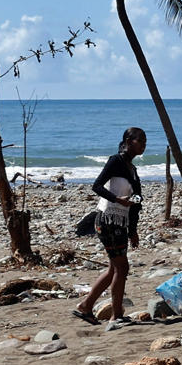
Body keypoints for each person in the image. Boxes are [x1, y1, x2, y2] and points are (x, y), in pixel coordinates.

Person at [74, 127, 148, 323]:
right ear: (128, 141)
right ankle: (117, 315)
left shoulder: (133, 170)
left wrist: (133, 230)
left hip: (120, 222)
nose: (144, 144)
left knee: (114, 268)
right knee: (121, 268)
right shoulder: (116, 161)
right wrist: (117, 199)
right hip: (107, 219)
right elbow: (96, 186)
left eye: (145, 141)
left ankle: (86, 306)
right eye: (140, 140)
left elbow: (137, 201)